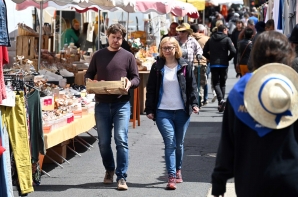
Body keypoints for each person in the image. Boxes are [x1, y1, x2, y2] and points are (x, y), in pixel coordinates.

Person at [211, 31, 298, 197]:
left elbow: (228, 144)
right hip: (293, 178)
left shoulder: (240, 92)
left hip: (251, 181)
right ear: (288, 55)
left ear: (255, 56)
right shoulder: (295, 88)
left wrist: (219, 181)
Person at [85, 23, 140, 190]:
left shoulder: (128, 56)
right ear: (107, 36)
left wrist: (129, 83)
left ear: (122, 39)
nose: (116, 40)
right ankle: (109, 169)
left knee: (121, 140)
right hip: (102, 104)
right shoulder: (98, 55)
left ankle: (121, 176)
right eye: (113, 37)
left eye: (119, 38)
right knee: (103, 142)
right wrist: (90, 81)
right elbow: (89, 74)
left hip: (121, 104)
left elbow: (136, 78)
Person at [145, 36, 200, 190]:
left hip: (182, 111)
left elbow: (192, 87)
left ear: (176, 48)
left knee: (179, 143)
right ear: (161, 50)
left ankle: (178, 169)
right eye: (164, 48)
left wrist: (194, 104)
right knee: (170, 143)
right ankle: (171, 176)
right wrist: (149, 109)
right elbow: (151, 90)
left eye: (170, 47)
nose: (167, 50)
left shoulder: (185, 66)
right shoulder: (157, 67)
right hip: (163, 111)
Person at [203, 25, 236, 112]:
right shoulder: (227, 39)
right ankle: (221, 101)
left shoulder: (211, 39)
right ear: (224, 30)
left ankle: (220, 101)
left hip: (214, 64)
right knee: (223, 83)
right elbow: (233, 51)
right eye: (227, 30)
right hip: (224, 64)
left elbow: (204, 51)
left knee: (216, 83)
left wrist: (210, 58)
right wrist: (228, 58)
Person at [191, 24, 209, 106]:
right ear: (199, 30)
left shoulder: (188, 39)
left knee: (192, 82)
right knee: (202, 82)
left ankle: (194, 98)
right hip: (202, 62)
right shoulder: (206, 39)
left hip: (191, 62)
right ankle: (201, 99)